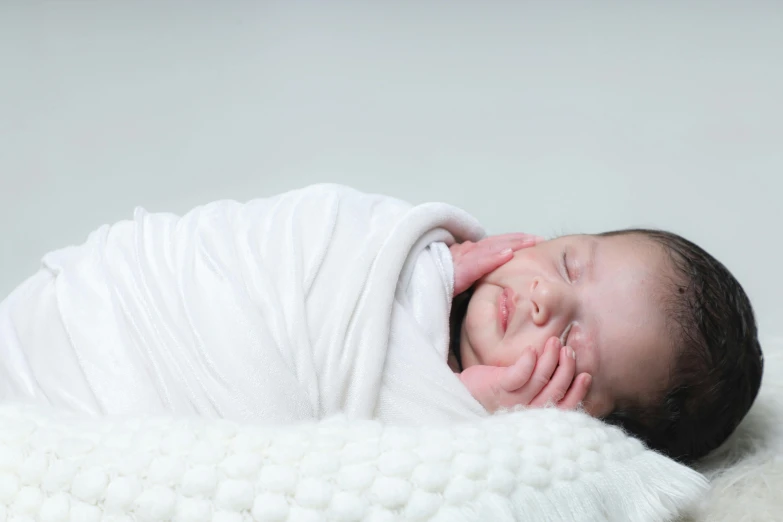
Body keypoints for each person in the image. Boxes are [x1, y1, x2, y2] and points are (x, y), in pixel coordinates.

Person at [446, 231, 764, 463]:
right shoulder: (438, 247)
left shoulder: (472, 449)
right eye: (568, 266)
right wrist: (433, 273)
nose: (545, 296)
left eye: (569, 343)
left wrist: (461, 401)